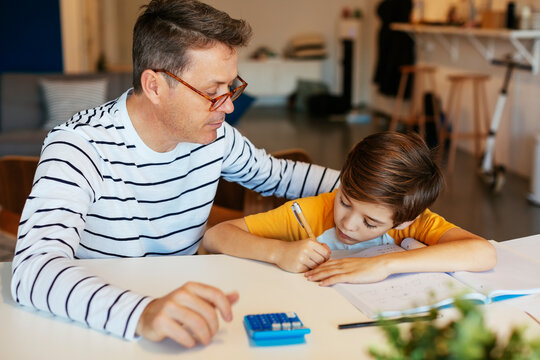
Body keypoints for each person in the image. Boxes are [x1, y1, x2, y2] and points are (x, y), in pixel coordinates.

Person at [11, 0, 339, 348]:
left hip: (187, 312)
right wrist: (144, 313)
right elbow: (33, 271)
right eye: (212, 92)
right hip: (101, 324)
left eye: (231, 87)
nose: (228, 105)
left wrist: (377, 185)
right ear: (154, 86)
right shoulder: (79, 147)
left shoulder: (215, 136)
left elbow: (279, 175)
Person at [203, 131, 497, 285]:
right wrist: (279, 251)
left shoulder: (414, 220)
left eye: (370, 223)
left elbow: (483, 252)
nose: (348, 223)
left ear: (404, 222)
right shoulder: (312, 212)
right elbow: (216, 236)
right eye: (345, 201)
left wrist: (382, 264)